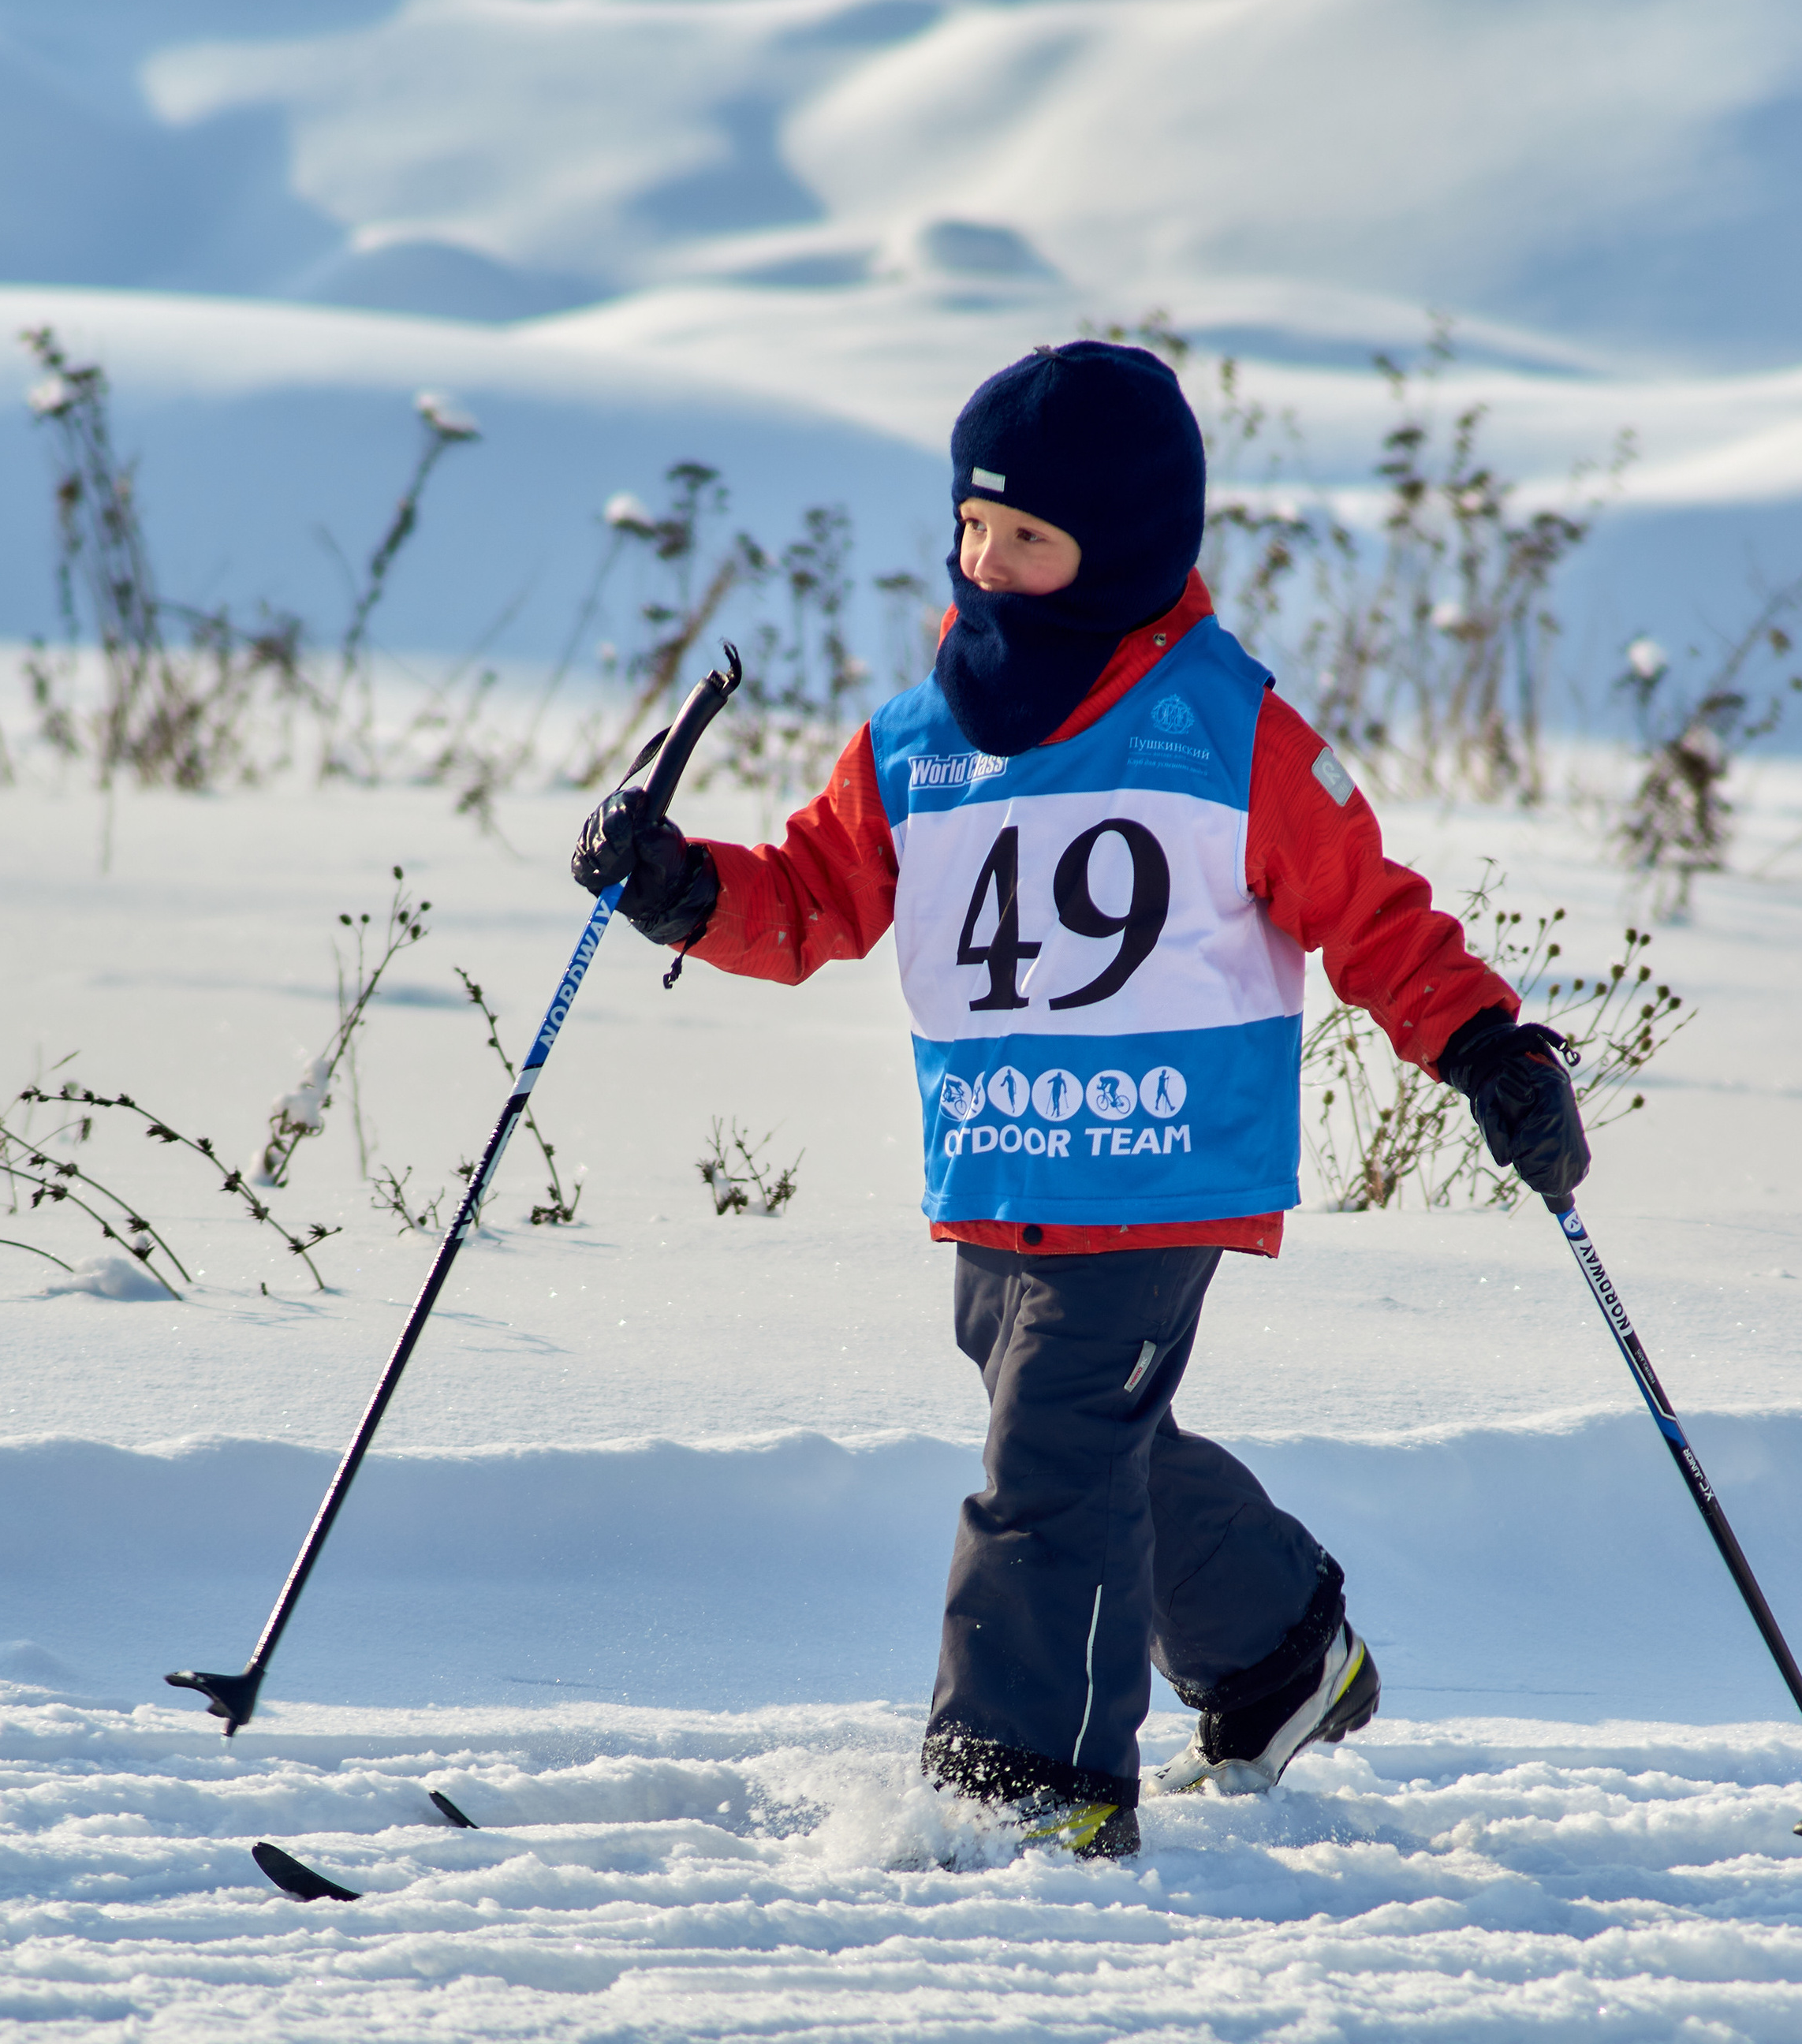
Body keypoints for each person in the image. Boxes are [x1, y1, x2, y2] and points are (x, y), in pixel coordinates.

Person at [574, 341, 1587, 1860]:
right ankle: (1278, 1655)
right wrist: (675, 887)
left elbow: (1372, 914)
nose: (986, 564)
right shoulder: (919, 738)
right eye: (972, 530)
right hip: (1005, 1160)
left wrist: (1487, 1047)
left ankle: (1026, 1783)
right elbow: (809, 903)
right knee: (1079, 1431)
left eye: (1028, 540)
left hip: (1158, 1159)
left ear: (1119, 549)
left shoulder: (1223, 723)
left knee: (1048, 1455)